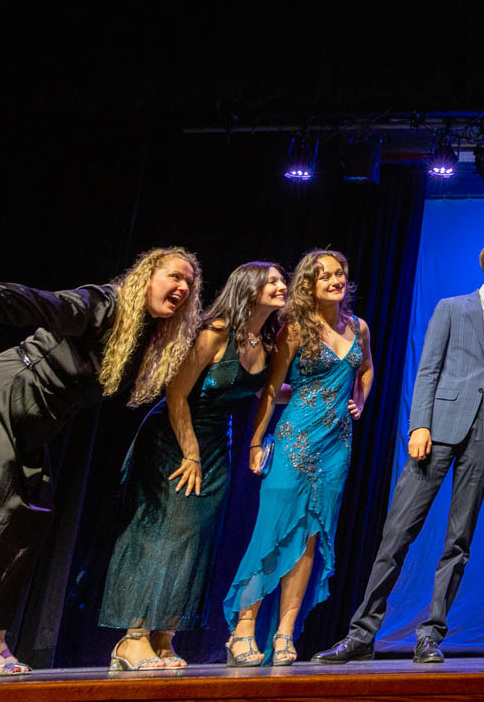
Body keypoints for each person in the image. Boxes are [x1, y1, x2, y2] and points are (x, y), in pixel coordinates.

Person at [0, 246, 202, 677]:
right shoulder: (104, 304)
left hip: (33, 423)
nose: (181, 287)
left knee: (29, 519)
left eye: (189, 282)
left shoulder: (151, 334)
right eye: (173, 276)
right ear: (147, 275)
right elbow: (43, 303)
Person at [314, 235, 484, 665]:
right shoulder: (452, 308)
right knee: (397, 533)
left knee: (459, 541)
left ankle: (431, 634)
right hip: (438, 431)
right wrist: (420, 425)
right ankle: (362, 632)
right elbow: (429, 368)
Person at [99, 261, 284, 670]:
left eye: (281, 280)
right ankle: (132, 637)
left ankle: (164, 637)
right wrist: (190, 452)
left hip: (218, 444)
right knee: (160, 532)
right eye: (271, 280)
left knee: (194, 539)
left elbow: (267, 393)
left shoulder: (266, 343)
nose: (281, 285)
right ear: (248, 288)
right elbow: (177, 393)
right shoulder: (215, 333)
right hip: (175, 438)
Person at [223, 249, 373, 666]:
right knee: (271, 531)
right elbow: (270, 390)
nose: (334, 280)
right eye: (323, 275)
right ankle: (244, 627)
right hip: (295, 440)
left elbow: (365, 371)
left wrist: (358, 400)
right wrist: (255, 443)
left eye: (339, 272)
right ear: (308, 284)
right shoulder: (295, 328)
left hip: (336, 447)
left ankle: (285, 633)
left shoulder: (359, 327)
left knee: (308, 539)